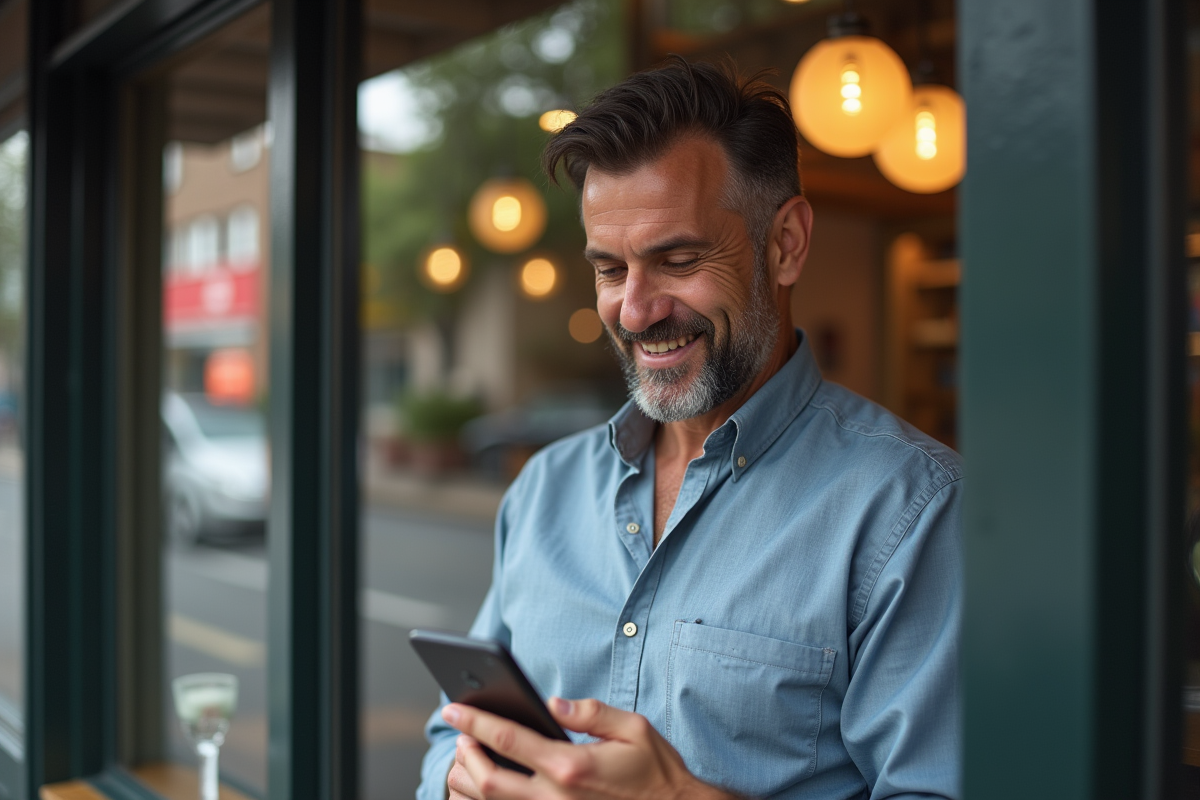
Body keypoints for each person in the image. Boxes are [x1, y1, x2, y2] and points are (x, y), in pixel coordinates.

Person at [417, 57, 962, 800]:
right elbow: (456, 729)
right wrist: (462, 781)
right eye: (610, 269)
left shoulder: (912, 510)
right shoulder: (545, 489)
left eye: (678, 259)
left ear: (786, 244)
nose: (636, 311)